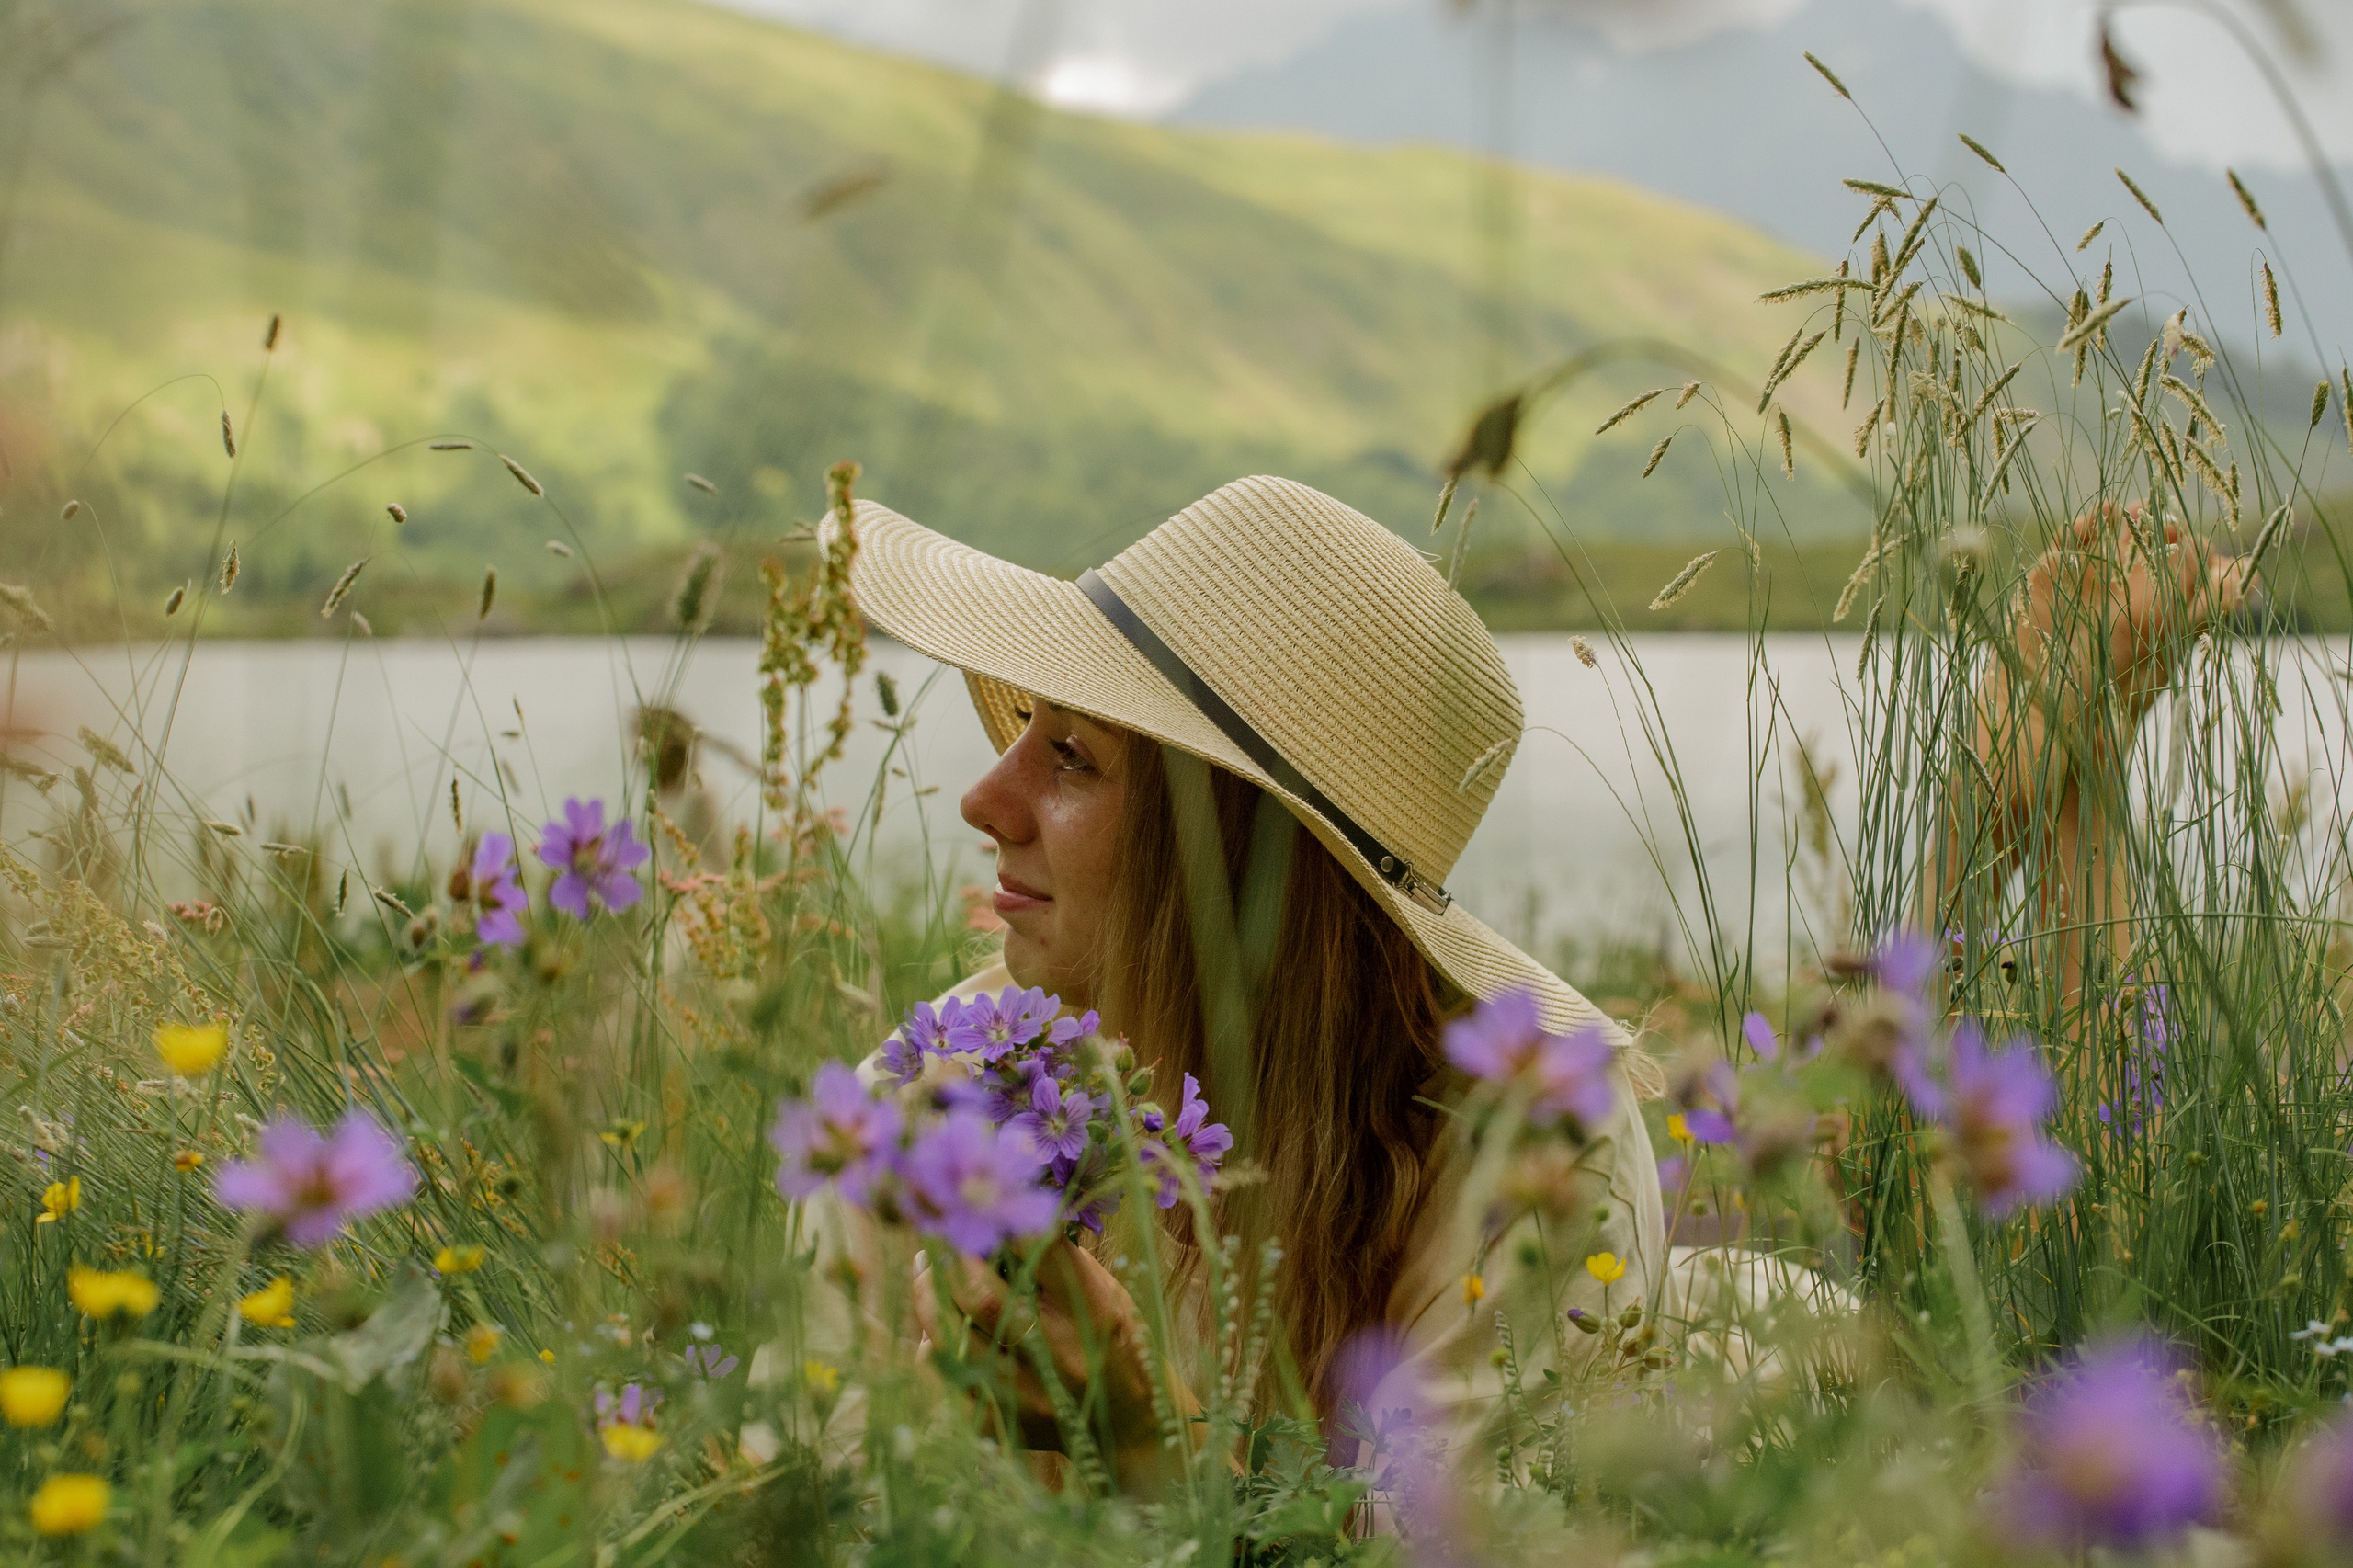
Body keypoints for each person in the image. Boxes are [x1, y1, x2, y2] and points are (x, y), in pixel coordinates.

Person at [802, 474, 2240, 1494]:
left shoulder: (1525, 1140)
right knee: (1831, 1133)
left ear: (1235, 863)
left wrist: (1139, 1461)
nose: (985, 796)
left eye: (1071, 758)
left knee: (1950, 1212)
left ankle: (2024, 817)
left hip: (1723, 1383)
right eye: (1027, 732)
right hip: (1621, 1293)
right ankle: (1988, 839)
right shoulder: (949, 1093)